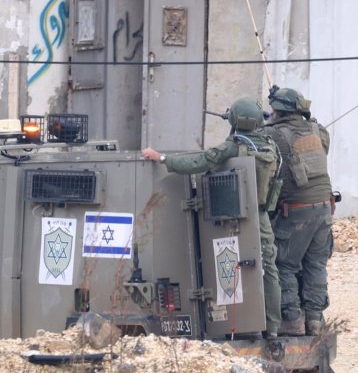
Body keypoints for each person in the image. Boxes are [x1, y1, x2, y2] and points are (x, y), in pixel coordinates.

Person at [142, 98, 283, 336]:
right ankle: (273, 329)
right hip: (262, 217)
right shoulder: (271, 146)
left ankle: (241, 326)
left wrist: (163, 158)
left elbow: (200, 162)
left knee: (231, 268)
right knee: (268, 270)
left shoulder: (233, 146)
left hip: (234, 220)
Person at [262, 87, 334, 337]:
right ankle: (314, 320)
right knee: (316, 264)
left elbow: (262, 147)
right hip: (324, 209)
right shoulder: (318, 130)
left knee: (285, 264)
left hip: (296, 211)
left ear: (277, 111)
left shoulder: (272, 135)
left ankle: (291, 319)